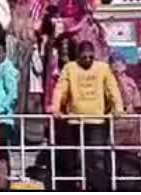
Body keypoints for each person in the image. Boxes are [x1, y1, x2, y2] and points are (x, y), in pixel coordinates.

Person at [51, 40, 123, 190]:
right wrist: (56, 108)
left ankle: (98, 188)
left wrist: (118, 107)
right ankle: (74, 187)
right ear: (78, 56)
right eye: (84, 57)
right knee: (73, 157)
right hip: (74, 120)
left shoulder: (103, 68)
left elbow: (112, 89)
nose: (88, 60)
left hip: (97, 120)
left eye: (90, 57)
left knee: (96, 157)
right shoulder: (70, 68)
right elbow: (60, 89)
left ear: (94, 55)